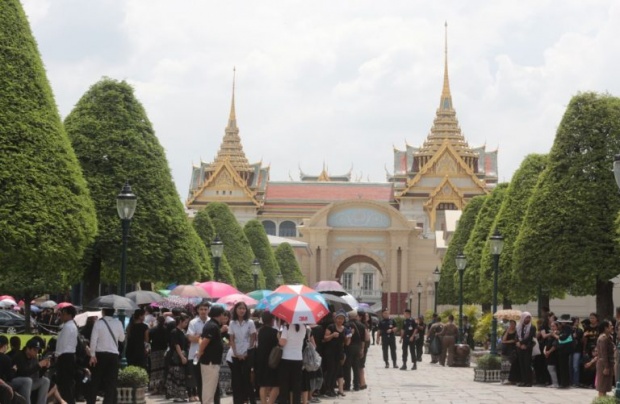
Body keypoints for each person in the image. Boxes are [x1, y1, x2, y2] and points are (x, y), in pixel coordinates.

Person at [87, 308, 125, 404]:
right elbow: (122, 338)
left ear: (103, 312)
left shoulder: (98, 323)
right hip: (113, 355)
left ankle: (91, 401)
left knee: (95, 380)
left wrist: (92, 355)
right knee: (111, 382)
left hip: (100, 354)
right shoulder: (118, 323)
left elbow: (93, 340)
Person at [197, 305, 227, 404]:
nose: (225, 317)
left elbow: (201, 338)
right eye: (224, 314)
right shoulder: (212, 326)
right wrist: (200, 352)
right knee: (209, 388)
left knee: (209, 387)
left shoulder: (212, 325)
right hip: (210, 362)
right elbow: (204, 341)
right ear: (220, 314)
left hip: (211, 361)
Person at [228, 302, 257, 404]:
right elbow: (231, 338)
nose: (242, 310)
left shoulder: (250, 322)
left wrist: (247, 351)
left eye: (244, 308)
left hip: (247, 353)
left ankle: (250, 400)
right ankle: (238, 401)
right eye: (240, 308)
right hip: (235, 354)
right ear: (236, 310)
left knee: (247, 378)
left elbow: (253, 337)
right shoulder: (232, 323)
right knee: (236, 380)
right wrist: (236, 353)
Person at [275, 322, 307, 404]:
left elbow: (282, 343)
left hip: (286, 358)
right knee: (296, 386)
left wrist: (278, 337)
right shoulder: (303, 327)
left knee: (284, 385)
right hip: (298, 358)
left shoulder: (287, 328)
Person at [11, 339, 51, 404]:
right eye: (34, 350)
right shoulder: (19, 356)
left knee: (45, 381)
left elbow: (38, 375)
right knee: (28, 380)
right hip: (16, 382)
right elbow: (24, 373)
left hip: (28, 383)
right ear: (28, 349)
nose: (36, 352)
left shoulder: (34, 358)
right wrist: (38, 365)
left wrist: (45, 367)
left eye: (37, 350)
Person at [55, 305, 78, 404]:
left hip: (65, 356)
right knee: (66, 382)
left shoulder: (68, 327)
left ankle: (68, 401)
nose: (61, 317)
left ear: (69, 315)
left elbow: (62, 343)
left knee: (65, 383)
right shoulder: (70, 325)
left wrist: (56, 355)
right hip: (68, 356)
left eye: (63, 314)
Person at [322, 311, 348, 397]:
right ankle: (327, 389)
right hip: (330, 352)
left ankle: (332, 388)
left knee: (336, 371)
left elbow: (346, 343)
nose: (340, 320)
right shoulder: (331, 327)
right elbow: (325, 338)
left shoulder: (345, 329)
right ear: (335, 319)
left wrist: (348, 338)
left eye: (342, 319)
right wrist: (332, 335)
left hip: (339, 352)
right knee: (330, 370)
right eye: (339, 318)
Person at [255, 311, 279, 404]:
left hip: (261, 359)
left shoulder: (260, 331)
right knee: (276, 385)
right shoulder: (275, 332)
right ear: (272, 320)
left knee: (263, 384)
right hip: (273, 360)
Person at [187, 301, 209, 402]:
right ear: (197, 310)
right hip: (195, 355)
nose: (203, 311)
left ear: (208, 310)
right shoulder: (193, 322)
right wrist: (205, 338)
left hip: (209, 355)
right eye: (201, 309)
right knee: (198, 380)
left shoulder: (211, 322)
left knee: (208, 381)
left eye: (205, 309)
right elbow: (191, 338)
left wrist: (198, 336)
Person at [166, 314, 190, 402]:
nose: (186, 324)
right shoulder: (175, 331)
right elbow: (177, 345)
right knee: (177, 375)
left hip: (181, 355)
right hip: (176, 357)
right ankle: (178, 395)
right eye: (185, 322)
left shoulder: (182, 331)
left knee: (180, 375)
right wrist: (182, 356)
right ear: (180, 322)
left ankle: (180, 395)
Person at [343, 310, 364, 391]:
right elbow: (363, 339)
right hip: (358, 347)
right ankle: (356, 385)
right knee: (356, 366)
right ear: (356, 316)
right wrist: (362, 349)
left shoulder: (347, 325)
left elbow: (346, 336)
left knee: (347, 366)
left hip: (349, 347)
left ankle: (347, 385)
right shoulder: (361, 325)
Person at [515, 312, 536, 387]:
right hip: (520, 348)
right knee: (522, 365)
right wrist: (518, 343)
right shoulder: (519, 326)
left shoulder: (532, 327)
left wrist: (522, 343)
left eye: (529, 318)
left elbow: (530, 337)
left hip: (527, 347)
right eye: (526, 317)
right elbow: (517, 336)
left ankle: (529, 381)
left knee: (527, 365)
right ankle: (523, 381)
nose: (528, 319)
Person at [148, 315, 168, 395]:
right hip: (164, 350)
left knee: (154, 370)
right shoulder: (166, 329)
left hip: (155, 350)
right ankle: (162, 387)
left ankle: (155, 388)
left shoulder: (153, 330)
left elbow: (149, 339)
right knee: (162, 369)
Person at [596, 320, 614, 397]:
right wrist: (606, 367)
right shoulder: (603, 338)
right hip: (604, 364)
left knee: (605, 385)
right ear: (605, 328)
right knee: (602, 386)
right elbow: (604, 354)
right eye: (610, 326)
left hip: (607, 363)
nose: (612, 327)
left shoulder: (608, 337)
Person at [501, 319, 518, 385]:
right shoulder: (506, 331)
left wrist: (506, 341)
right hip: (506, 349)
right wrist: (507, 332)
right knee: (505, 364)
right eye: (510, 324)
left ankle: (512, 379)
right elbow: (503, 339)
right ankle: (504, 379)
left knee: (512, 364)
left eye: (513, 324)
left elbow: (514, 340)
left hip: (513, 349)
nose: (511, 325)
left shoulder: (516, 331)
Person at [544, 321, 560, 388]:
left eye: (554, 326)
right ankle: (553, 382)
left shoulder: (556, 334)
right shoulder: (550, 335)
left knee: (551, 368)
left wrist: (549, 352)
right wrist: (545, 351)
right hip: (548, 353)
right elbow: (547, 344)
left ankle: (555, 383)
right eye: (551, 326)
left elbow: (555, 345)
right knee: (550, 368)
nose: (552, 328)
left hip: (553, 354)